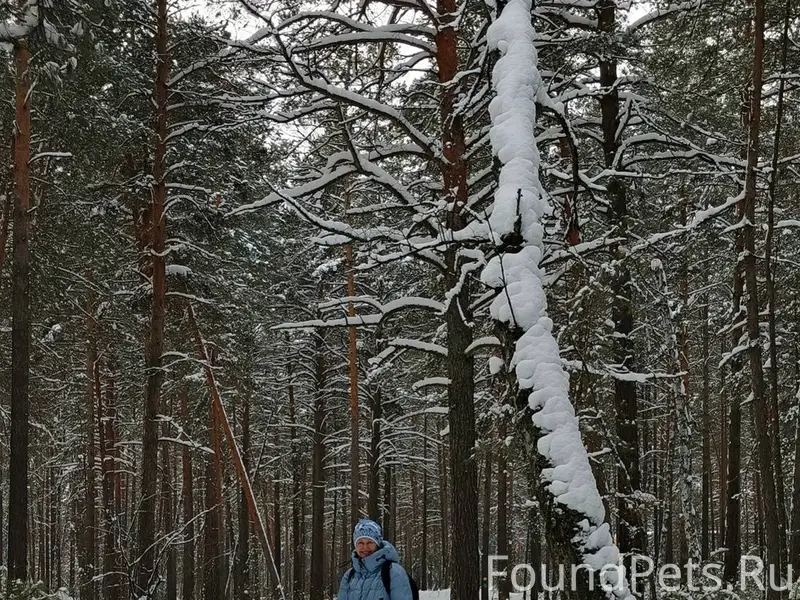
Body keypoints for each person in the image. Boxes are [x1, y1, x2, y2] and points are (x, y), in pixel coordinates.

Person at [337, 519, 413, 600]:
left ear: (377, 544)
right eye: (360, 543)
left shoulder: (393, 572)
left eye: (370, 542)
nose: (365, 547)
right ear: (355, 545)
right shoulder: (349, 576)